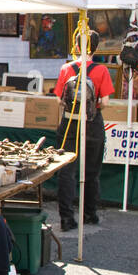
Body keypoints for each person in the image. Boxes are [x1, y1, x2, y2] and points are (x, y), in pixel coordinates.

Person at [53, 36, 114, 230]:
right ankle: (89, 213)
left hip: (70, 122)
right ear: (96, 48)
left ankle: (66, 217)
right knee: (91, 172)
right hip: (92, 123)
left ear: (77, 46)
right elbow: (105, 102)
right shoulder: (101, 70)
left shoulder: (66, 69)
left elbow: (59, 100)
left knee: (67, 171)